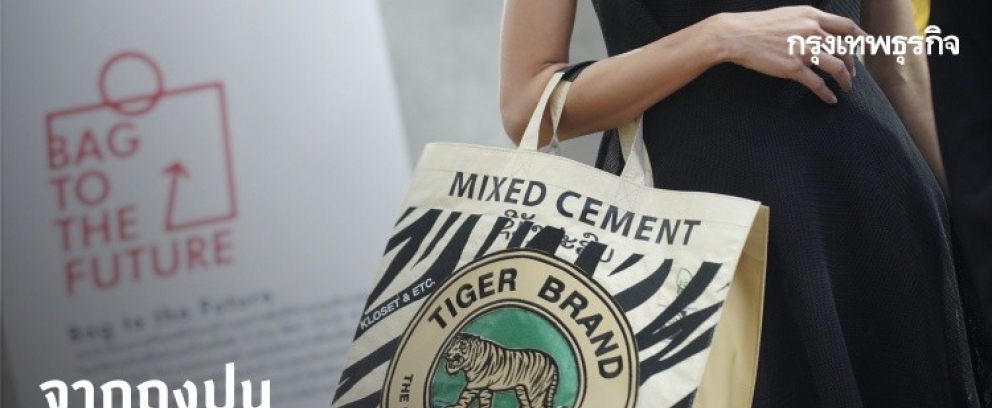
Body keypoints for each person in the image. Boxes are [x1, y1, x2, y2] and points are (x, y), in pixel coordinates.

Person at [499, 1, 981, 407]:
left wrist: (971, 240)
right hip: (707, 240)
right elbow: (527, 103)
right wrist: (716, 39)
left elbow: (899, 67)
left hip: (876, 216)